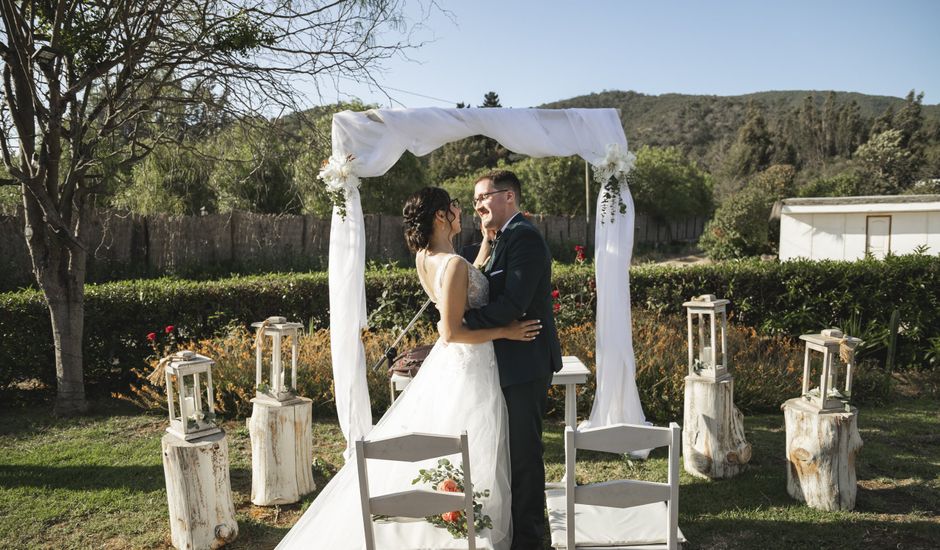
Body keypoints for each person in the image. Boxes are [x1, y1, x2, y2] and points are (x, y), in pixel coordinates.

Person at [277, 186, 540, 550]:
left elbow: (463, 284)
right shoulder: (453, 264)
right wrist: (506, 330)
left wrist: (482, 247)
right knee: (475, 446)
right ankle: (456, 529)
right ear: (439, 216)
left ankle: (438, 514)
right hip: (472, 364)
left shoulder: (424, 258)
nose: (461, 211)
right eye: (453, 206)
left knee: (444, 441)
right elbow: (451, 330)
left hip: (450, 368)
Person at [464, 170, 563, 550]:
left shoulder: (525, 239)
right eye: (475, 201)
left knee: (523, 455)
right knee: (506, 452)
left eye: (483, 197)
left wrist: (462, 322)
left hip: (525, 362)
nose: (478, 206)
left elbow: (513, 305)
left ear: (508, 196)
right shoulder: (500, 238)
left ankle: (530, 540)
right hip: (503, 361)